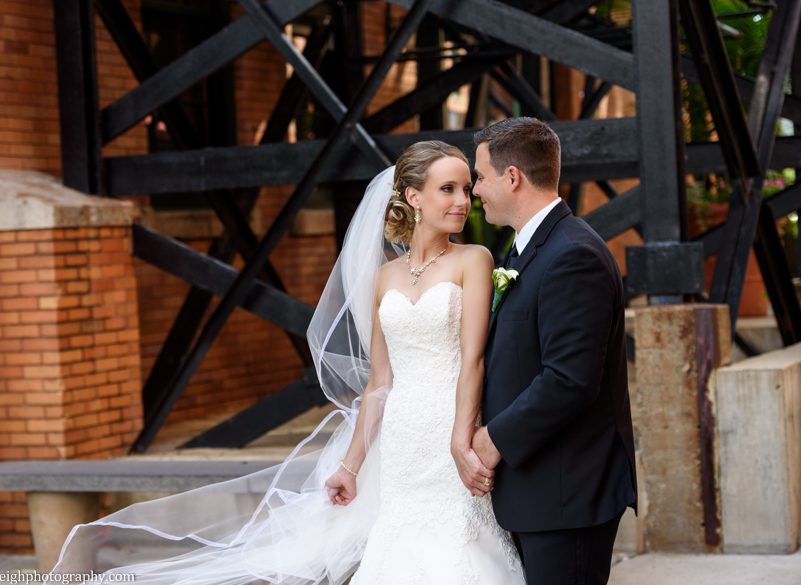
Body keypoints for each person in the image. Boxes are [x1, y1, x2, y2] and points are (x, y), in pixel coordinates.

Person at [48, 141, 524, 585]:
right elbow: (379, 382)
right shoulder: (384, 278)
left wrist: (462, 441)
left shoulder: (474, 260)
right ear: (413, 197)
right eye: (448, 189)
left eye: (465, 188)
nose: (463, 200)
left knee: (459, 550)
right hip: (400, 442)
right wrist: (351, 466)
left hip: (451, 430)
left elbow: (473, 363)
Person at [470, 117, 638, 585]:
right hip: (540, 491)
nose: (476, 190)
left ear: (512, 177)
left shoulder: (572, 255)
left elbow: (570, 379)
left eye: (480, 177)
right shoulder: (527, 251)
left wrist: (492, 439)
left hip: (568, 494)